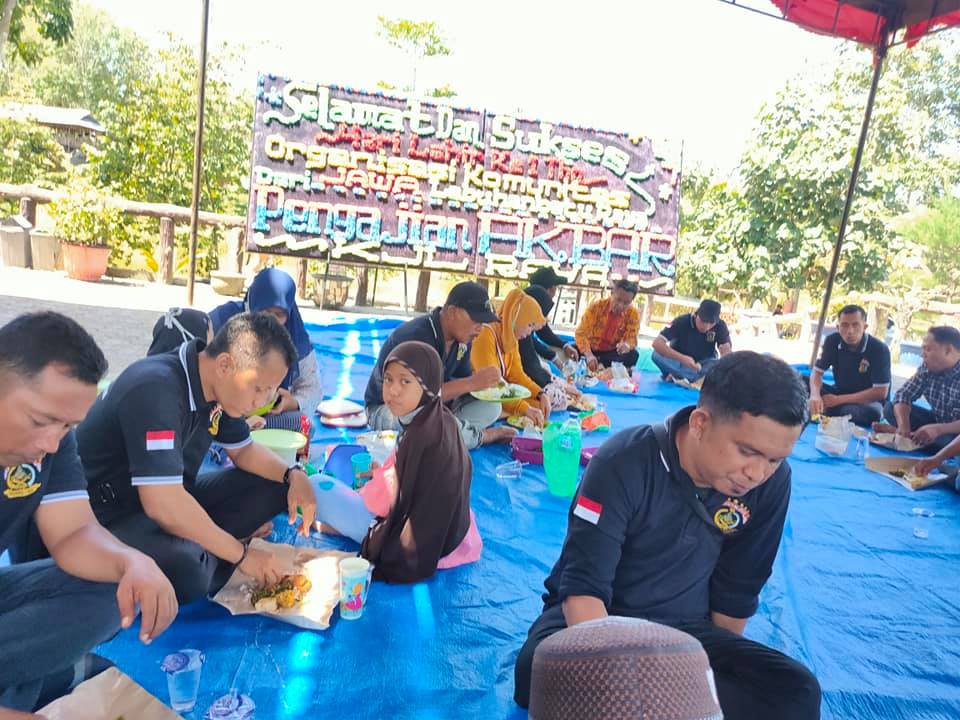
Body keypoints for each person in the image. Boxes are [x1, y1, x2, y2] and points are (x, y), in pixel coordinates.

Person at [513, 351, 821, 720]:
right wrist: (619, 676)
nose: (757, 473)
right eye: (747, 452)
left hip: (686, 634)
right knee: (537, 672)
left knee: (797, 693)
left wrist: (709, 668)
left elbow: (737, 589)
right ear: (701, 423)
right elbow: (584, 592)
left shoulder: (771, 484)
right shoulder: (623, 462)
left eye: (774, 459)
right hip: (598, 621)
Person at [76, 312, 319, 604]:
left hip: (172, 498)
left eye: (269, 391)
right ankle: (213, 553)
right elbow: (162, 504)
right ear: (225, 364)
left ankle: (210, 549)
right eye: (258, 388)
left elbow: (244, 450)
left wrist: (293, 474)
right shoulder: (156, 389)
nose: (261, 402)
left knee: (277, 485)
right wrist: (241, 555)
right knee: (190, 568)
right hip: (106, 518)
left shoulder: (219, 389)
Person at [0, 313, 177, 714]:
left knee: (115, 590)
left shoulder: (52, 443)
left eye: (67, 426)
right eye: (40, 421)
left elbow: (72, 532)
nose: (51, 443)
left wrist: (131, 561)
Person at [365, 281, 513, 447]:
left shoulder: (462, 339)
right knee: (425, 419)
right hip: (392, 409)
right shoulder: (416, 338)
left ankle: (448, 432)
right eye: (476, 320)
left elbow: (459, 382)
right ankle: (477, 436)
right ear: (452, 312)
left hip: (436, 407)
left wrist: (487, 386)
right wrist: (472, 383)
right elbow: (419, 397)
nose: (480, 328)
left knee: (492, 406)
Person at [209, 268, 322, 429]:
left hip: (265, 417)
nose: (270, 321)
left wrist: (293, 402)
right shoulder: (220, 322)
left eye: (279, 314)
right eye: (265, 312)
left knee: (303, 426)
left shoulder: (295, 336)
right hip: (220, 415)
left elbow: (312, 387)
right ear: (251, 305)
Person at [471, 287, 551, 428]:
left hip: (499, 393)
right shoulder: (486, 334)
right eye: (529, 325)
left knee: (540, 406)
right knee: (502, 409)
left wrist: (540, 394)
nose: (529, 332)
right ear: (516, 318)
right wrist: (524, 408)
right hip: (478, 397)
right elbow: (493, 385)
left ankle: (508, 411)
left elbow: (517, 375)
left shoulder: (509, 338)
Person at [877, 326, 960, 451]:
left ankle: (910, 435)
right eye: (923, 349)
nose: (922, 355)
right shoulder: (927, 368)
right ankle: (909, 434)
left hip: (954, 432)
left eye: (928, 349)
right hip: (938, 421)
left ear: (948, 350)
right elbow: (903, 395)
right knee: (890, 408)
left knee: (946, 441)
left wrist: (938, 429)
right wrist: (904, 425)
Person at [809, 305, 891, 427]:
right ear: (838, 327)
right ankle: (823, 408)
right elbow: (817, 373)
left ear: (865, 327)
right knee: (799, 381)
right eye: (845, 325)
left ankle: (823, 410)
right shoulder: (832, 341)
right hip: (839, 392)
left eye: (855, 325)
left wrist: (837, 400)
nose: (850, 331)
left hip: (867, 402)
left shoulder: (879, 349)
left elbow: (880, 392)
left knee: (867, 413)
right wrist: (815, 395)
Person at [520, 286, 581, 410]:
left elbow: (531, 348)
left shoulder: (522, 329)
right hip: (516, 383)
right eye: (532, 324)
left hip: (522, 378)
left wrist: (557, 383)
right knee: (554, 397)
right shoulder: (518, 330)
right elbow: (524, 371)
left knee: (546, 370)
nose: (540, 326)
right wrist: (553, 389)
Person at [651, 299, 731, 382]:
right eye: (703, 321)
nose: (706, 326)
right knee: (656, 355)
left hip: (703, 364)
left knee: (717, 363)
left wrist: (726, 352)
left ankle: (679, 376)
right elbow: (657, 343)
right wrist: (682, 358)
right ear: (696, 315)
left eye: (711, 323)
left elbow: (726, 353)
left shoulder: (720, 326)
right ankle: (693, 379)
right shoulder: (682, 321)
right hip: (678, 362)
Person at [574, 279, 641, 372]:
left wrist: (626, 345)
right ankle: (605, 366)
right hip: (591, 349)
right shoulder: (596, 306)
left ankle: (600, 364)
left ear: (631, 301)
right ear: (612, 293)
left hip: (611, 353)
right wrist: (588, 354)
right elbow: (581, 333)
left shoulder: (633, 314)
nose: (620, 305)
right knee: (571, 349)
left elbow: (632, 338)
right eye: (618, 299)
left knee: (633, 355)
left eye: (626, 303)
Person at [526, 267, 578, 362]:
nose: (555, 291)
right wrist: (552, 357)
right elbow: (527, 342)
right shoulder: (525, 314)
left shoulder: (529, 305)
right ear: (550, 289)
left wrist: (564, 345)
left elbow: (543, 331)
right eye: (555, 287)